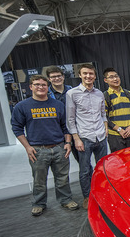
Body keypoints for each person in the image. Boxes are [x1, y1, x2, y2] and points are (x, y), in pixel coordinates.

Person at [11, 75, 79, 216]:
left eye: (43, 85)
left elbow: (65, 126)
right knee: (39, 180)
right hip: (38, 150)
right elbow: (17, 128)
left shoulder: (58, 105)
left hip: (59, 147)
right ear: (30, 87)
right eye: (37, 84)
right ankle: (39, 203)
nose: (40, 87)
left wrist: (67, 143)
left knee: (62, 178)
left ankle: (65, 200)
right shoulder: (22, 106)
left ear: (47, 87)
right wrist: (28, 147)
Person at [66, 63, 108, 210]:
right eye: (85, 74)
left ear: (95, 76)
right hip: (84, 137)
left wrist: (106, 128)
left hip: (101, 136)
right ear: (80, 75)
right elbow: (70, 119)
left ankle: (103, 194)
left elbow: (103, 113)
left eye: (91, 74)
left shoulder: (99, 93)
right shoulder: (72, 94)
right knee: (85, 170)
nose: (88, 76)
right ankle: (87, 196)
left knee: (102, 168)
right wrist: (76, 138)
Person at [46, 66, 79, 163]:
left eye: (58, 76)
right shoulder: (46, 94)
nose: (56, 78)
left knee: (81, 157)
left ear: (63, 76)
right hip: (58, 131)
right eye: (53, 77)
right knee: (61, 161)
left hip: (75, 128)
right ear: (49, 79)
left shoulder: (72, 91)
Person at [103, 68, 130, 152]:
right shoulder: (104, 96)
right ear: (105, 80)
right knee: (119, 161)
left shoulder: (129, 94)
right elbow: (104, 117)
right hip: (115, 135)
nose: (115, 79)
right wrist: (119, 129)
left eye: (116, 76)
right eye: (111, 77)